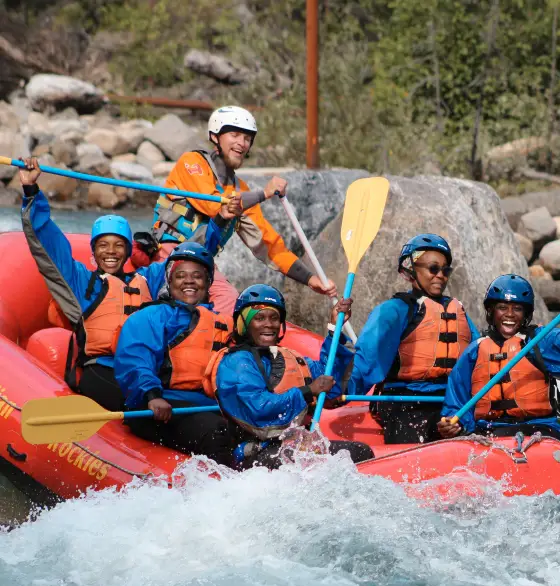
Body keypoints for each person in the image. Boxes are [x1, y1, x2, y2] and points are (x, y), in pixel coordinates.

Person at [18, 158, 238, 411]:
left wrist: (220, 221)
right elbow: (49, 243)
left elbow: (190, 255)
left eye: (118, 245)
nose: (111, 252)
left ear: (127, 250)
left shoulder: (146, 278)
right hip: (102, 368)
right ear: (93, 250)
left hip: (145, 369)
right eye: (103, 245)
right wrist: (31, 191)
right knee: (152, 399)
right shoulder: (82, 282)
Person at [151, 105, 336, 316]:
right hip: (169, 253)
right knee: (223, 302)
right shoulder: (192, 163)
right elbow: (215, 206)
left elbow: (270, 246)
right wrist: (264, 194)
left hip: (202, 264)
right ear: (215, 136)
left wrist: (311, 279)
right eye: (235, 134)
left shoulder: (242, 191)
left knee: (234, 306)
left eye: (247, 138)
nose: (242, 143)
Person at [203, 284, 375, 468]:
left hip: (294, 447)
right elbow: (258, 410)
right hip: (256, 454)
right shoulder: (235, 363)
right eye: (259, 318)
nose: (268, 324)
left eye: (274, 318)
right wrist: (308, 391)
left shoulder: (289, 358)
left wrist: (334, 328)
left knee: (360, 452)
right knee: (307, 464)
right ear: (244, 324)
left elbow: (330, 386)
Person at [437, 274, 560, 447]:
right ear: (491, 310)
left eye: (517, 308)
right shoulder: (474, 352)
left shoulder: (542, 341)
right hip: (490, 433)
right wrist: (454, 426)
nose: (510, 314)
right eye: (502, 307)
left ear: (526, 313)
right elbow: (456, 405)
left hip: (541, 430)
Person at [347, 234, 479, 444]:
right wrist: (342, 391)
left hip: (451, 403)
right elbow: (367, 362)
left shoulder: (458, 311)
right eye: (433, 268)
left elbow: (479, 360)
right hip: (405, 401)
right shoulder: (394, 311)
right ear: (411, 269)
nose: (440, 276)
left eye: (445, 270)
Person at [114, 242, 235, 465]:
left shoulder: (223, 324)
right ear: (169, 281)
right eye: (180, 275)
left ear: (208, 282)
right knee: (216, 432)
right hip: (158, 407)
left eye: (197, 276)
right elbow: (135, 359)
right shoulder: (152, 316)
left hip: (207, 405)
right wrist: (152, 396)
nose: (189, 281)